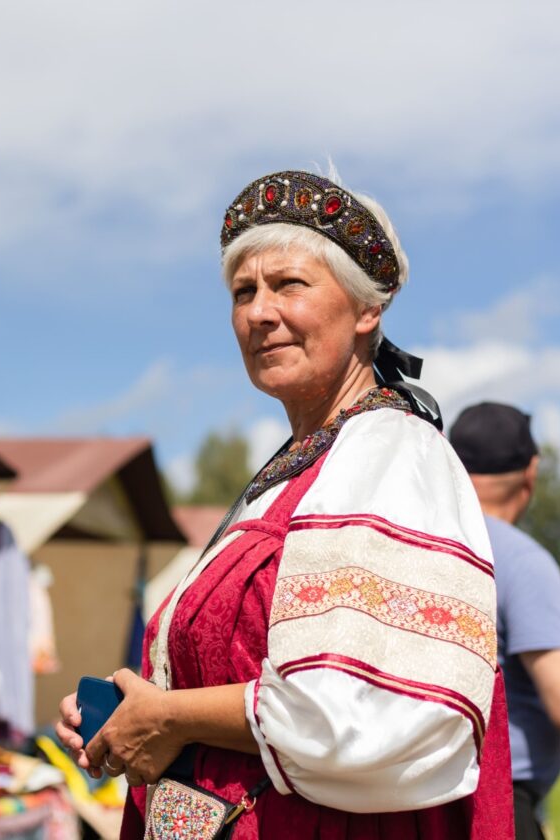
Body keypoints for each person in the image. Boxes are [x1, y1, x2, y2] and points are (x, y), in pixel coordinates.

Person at [56, 170, 514, 838]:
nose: (258, 312)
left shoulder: (391, 452)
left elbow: (374, 709)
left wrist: (169, 716)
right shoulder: (289, 474)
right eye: (244, 292)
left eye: (288, 285)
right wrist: (125, 718)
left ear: (366, 311)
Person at [449, 403, 560, 840]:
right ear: (531, 472)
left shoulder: (423, 544)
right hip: (498, 803)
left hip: (422, 797)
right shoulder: (522, 560)